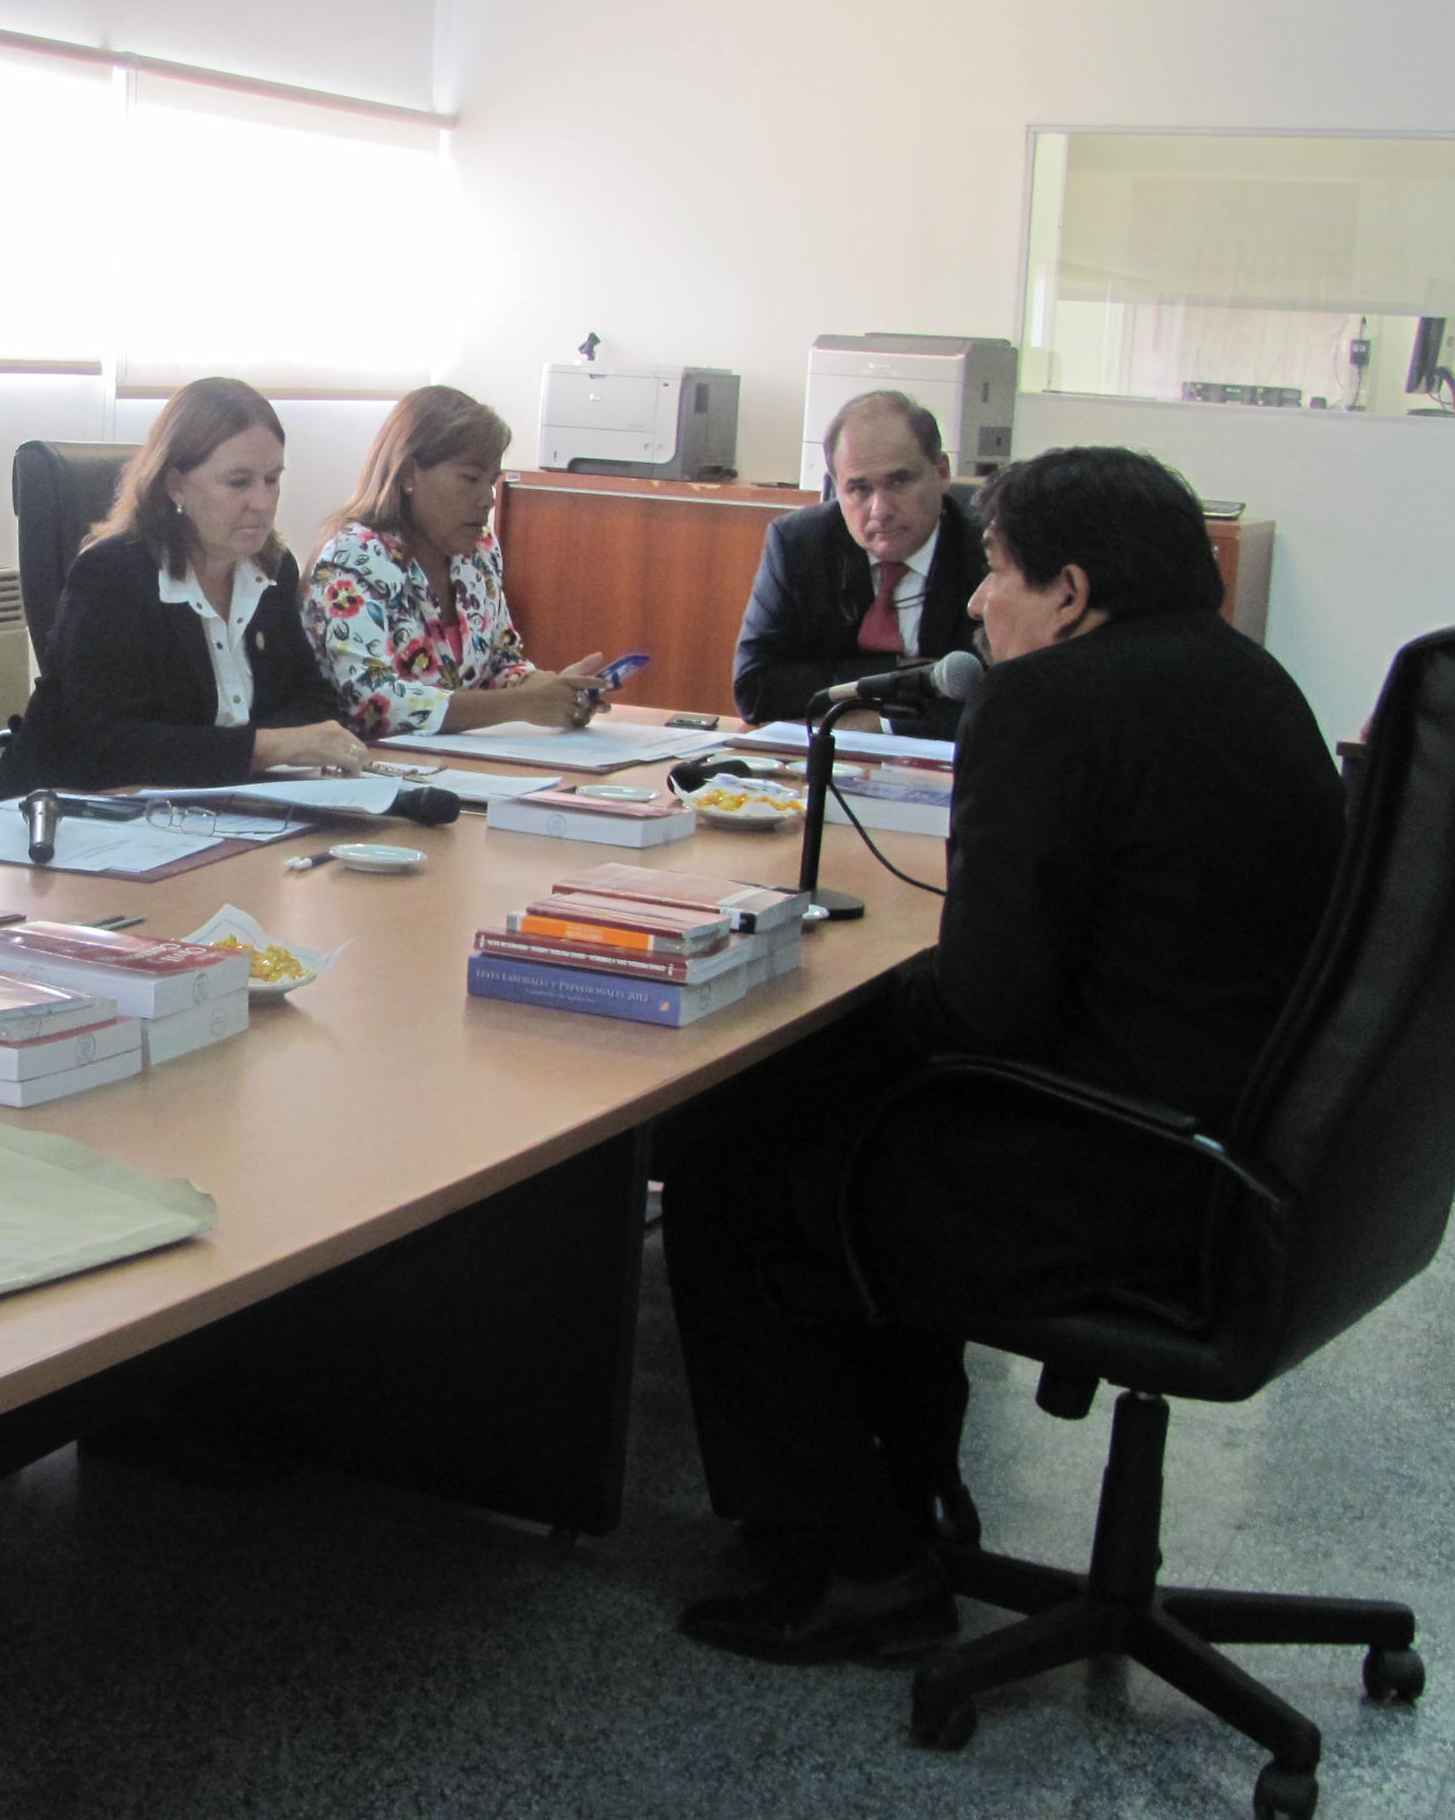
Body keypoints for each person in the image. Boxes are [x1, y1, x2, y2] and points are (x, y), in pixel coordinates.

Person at [658, 446, 1343, 1665]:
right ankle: (908, 1495)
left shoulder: (1045, 703)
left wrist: (829, 1000)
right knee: (837, 1125)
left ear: (1068, 594)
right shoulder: (1251, 679)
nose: (974, 601)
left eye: (997, 573)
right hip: (1252, 1159)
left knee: (733, 1165)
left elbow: (986, 1011)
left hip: (1119, 1165)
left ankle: (859, 1565)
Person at [1, 377, 366, 792]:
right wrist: (265, 748)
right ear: (176, 485)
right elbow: (108, 746)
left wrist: (280, 747)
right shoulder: (112, 576)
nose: (263, 502)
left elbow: (312, 700)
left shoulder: (272, 569)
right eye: (239, 482)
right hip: (74, 811)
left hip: (221, 805)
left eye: (272, 479)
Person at [304, 384, 610, 739]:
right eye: (470, 478)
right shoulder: (352, 558)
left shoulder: (479, 550)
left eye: (492, 481)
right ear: (408, 474)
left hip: (457, 760)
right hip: (367, 764)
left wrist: (556, 689)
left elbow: (500, 664)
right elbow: (373, 705)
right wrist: (523, 704)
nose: (488, 499)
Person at [731, 390, 988, 737]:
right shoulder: (799, 544)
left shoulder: (990, 552)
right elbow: (756, 689)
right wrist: (898, 672)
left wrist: (879, 722)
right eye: (859, 489)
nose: (880, 510)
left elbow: (999, 698)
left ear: (941, 472)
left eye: (899, 481)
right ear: (837, 489)